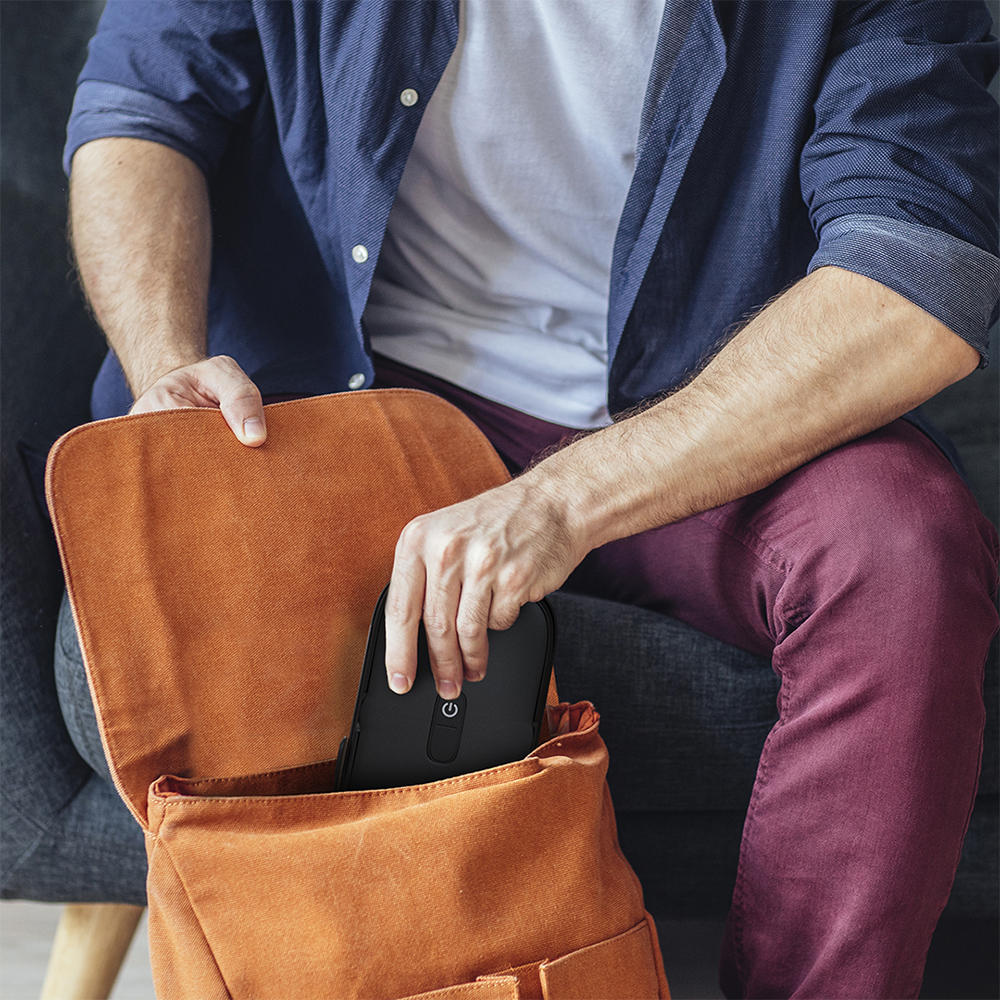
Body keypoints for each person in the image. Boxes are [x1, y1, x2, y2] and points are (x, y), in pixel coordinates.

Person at [59, 1, 998, 996]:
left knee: (900, 551)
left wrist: (564, 500)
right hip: (363, 397)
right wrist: (168, 364)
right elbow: (139, 107)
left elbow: (916, 272)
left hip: (699, 401)